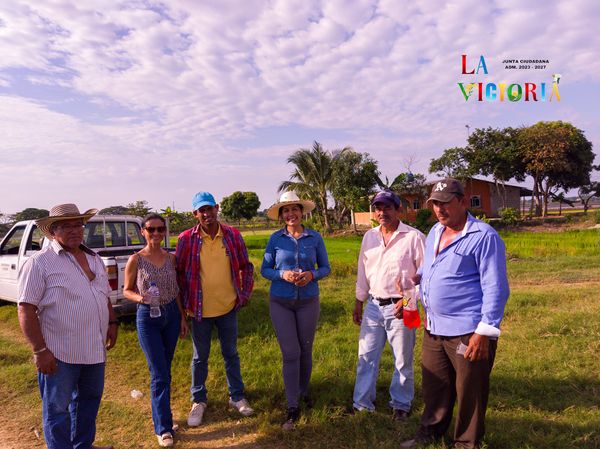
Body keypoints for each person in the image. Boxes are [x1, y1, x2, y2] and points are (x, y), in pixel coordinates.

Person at [401, 178, 510, 449]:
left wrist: (483, 333)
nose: (439, 209)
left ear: (462, 201)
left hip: (467, 331)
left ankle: (466, 442)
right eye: (434, 204)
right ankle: (430, 433)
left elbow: (496, 287)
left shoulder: (483, 236)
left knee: (470, 390)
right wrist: (413, 287)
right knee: (435, 386)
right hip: (434, 328)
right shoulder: (435, 231)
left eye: (445, 203)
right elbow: (429, 269)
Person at [17, 204, 117, 449]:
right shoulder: (40, 263)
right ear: (53, 230)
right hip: (59, 353)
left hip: (94, 349)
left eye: (78, 224)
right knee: (57, 410)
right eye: (66, 226)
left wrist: (112, 322)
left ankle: (82, 445)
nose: (74, 230)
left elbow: (103, 294)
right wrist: (40, 351)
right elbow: (26, 308)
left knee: (88, 403)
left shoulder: (94, 258)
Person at [176, 191, 255, 427]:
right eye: (201, 210)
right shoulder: (186, 239)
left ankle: (237, 396)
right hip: (199, 311)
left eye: (209, 208)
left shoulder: (232, 235)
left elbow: (246, 266)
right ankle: (198, 401)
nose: (206, 214)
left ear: (217, 208)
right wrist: (183, 310)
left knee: (230, 353)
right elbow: (179, 275)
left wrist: (244, 294)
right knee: (200, 357)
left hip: (228, 307)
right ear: (195, 214)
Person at [352, 190, 425, 420]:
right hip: (373, 305)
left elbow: (426, 277)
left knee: (402, 359)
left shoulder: (413, 237)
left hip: (403, 307)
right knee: (366, 357)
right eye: (378, 208)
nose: (382, 212)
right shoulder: (369, 237)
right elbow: (363, 271)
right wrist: (359, 301)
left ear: (398, 209)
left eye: (387, 208)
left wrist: (408, 301)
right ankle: (362, 404)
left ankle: (401, 405)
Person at [261, 191, 331, 430]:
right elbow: (265, 270)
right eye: (286, 210)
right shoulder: (275, 239)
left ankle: (303, 391)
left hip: (308, 301)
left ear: (302, 212)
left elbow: (326, 267)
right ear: (281, 215)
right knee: (291, 352)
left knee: (306, 349)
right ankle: (292, 405)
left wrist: (312, 274)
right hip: (281, 301)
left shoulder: (315, 237)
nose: (291, 214)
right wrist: (282, 274)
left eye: (294, 209)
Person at [123, 213, 189, 447]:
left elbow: (177, 290)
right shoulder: (136, 260)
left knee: (165, 370)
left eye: (160, 229)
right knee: (159, 373)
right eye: (151, 229)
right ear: (143, 232)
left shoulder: (171, 258)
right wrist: (141, 298)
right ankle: (163, 428)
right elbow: (126, 290)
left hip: (171, 315)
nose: (156, 233)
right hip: (148, 317)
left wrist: (182, 317)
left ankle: (164, 417)